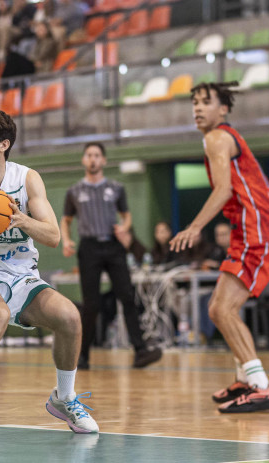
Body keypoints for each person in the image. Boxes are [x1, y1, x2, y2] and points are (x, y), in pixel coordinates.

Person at [0, 101, 98, 434]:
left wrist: (20, 219)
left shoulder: (26, 179)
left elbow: (53, 235)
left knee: (69, 317)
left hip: (20, 274)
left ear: (3, 144)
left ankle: (63, 398)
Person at [170, 81, 269, 413]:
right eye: (194, 102)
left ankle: (262, 386)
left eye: (205, 102)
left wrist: (195, 227)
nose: (197, 108)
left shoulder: (217, 137)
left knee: (222, 309)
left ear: (223, 109)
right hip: (251, 229)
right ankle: (248, 378)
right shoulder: (220, 138)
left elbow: (223, 190)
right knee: (218, 309)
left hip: (261, 227)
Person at [60, 143, 162, 369]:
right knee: (91, 304)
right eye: (89, 155)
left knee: (127, 296)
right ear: (84, 160)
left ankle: (141, 351)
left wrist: (124, 228)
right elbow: (65, 221)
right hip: (89, 248)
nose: (93, 159)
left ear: (104, 160)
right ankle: (83, 356)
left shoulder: (116, 188)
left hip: (114, 246)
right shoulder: (74, 191)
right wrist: (66, 240)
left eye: (97, 155)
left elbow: (126, 216)